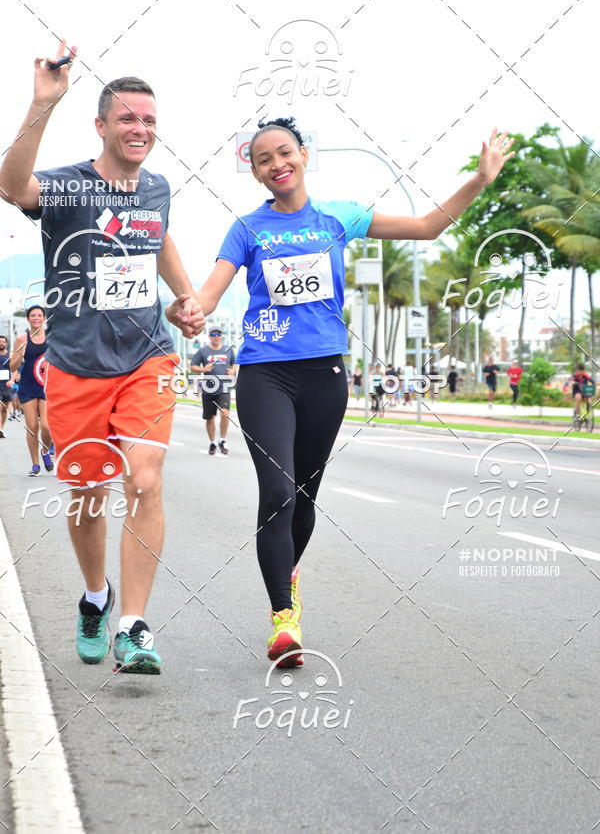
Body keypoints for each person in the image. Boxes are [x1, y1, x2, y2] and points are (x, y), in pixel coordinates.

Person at [196, 117, 514, 665]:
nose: (277, 164)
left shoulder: (338, 217)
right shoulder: (246, 229)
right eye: (263, 159)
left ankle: (287, 572)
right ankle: (283, 619)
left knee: (303, 499)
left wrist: (480, 180)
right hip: (265, 372)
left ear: (303, 155)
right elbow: (209, 292)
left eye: (284, 153)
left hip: (325, 377)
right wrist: (191, 309)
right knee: (276, 492)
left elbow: (427, 226)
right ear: (254, 171)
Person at [0, 41, 204, 675]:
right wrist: (41, 104)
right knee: (89, 494)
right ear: (102, 126)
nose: (139, 129)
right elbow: (11, 186)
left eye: (148, 120)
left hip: (147, 356)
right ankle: (95, 598)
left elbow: (158, 235)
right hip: (76, 364)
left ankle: (134, 626)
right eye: (127, 119)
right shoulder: (67, 188)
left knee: (144, 478)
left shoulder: (158, 188)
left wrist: (186, 296)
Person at [10, 305, 53, 474]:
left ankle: (45, 452)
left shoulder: (51, 337)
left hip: (47, 386)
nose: (36, 318)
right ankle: (35, 464)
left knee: (46, 427)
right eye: (33, 315)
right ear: (28, 319)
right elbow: (12, 366)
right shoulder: (22, 339)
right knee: (32, 426)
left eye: (39, 315)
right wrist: (20, 354)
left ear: (44, 318)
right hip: (27, 386)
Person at [190, 326, 236, 455]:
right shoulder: (203, 351)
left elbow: (235, 362)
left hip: (224, 387)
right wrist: (203, 369)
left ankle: (223, 440)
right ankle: (212, 443)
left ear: (221, 336)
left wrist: (233, 371)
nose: (216, 337)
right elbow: (192, 366)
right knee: (210, 418)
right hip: (209, 389)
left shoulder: (228, 349)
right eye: (213, 334)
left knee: (225, 413)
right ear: (209, 336)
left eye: (218, 334)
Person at [0, 335, 12, 437]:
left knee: (4, 409)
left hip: (6, 385)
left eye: (3, 342)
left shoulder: (10, 356)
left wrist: (12, 379)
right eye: (0, 342)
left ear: (6, 344)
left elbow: (15, 369)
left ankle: (1, 429)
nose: (1, 343)